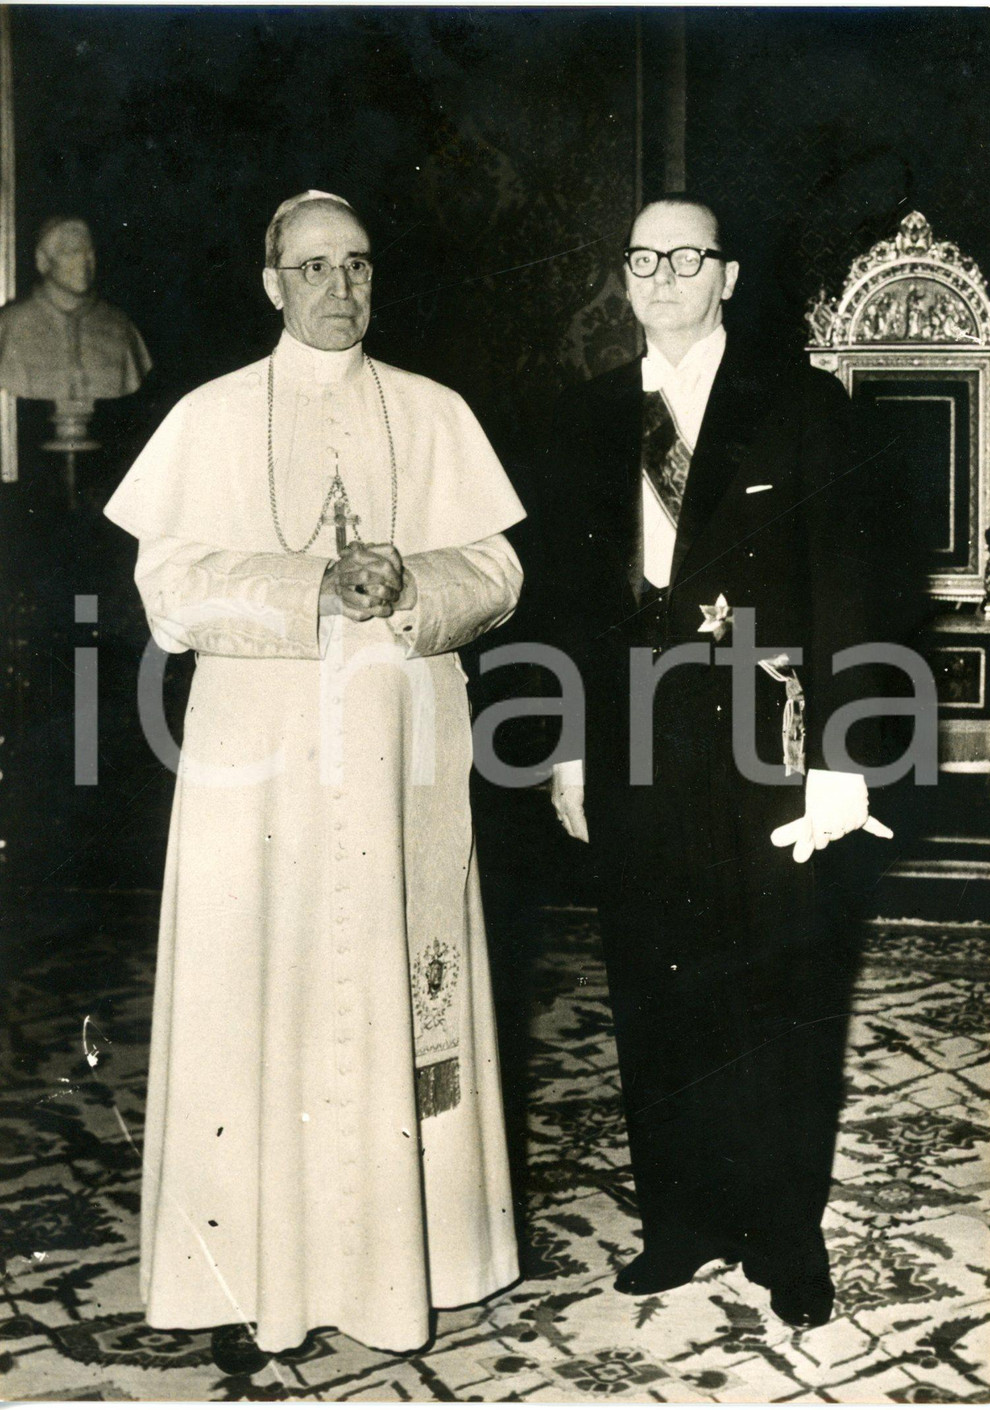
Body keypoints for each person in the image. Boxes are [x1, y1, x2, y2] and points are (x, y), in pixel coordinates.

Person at [104, 191, 522, 1371]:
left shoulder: (433, 411)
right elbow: (171, 589)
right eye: (316, 267)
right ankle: (253, 1267)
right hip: (259, 759)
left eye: (359, 266)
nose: (342, 288)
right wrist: (312, 592)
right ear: (271, 282)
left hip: (404, 753)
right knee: (263, 987)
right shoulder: (210, 415)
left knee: (405, 978)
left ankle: (420, 1263)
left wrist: (412, 583)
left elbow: (498, 569)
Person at [540, 196, 894, 1329]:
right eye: (641, 256)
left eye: (684, 256)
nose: (660, 275)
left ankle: (783, 1235)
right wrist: (567, 750)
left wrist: (843, 758)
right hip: (634, 739)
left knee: (781, 990)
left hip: (768, 739)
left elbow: (850, 586)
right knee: (655, 988)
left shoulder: (799, 408)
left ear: (727, 274)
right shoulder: (593, 416)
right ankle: (680, 1222)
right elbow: (570, 605)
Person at [0, 216, 151, 401]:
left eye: (89, 252)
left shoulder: (120, 327)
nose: (84, 261)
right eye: (71, 252)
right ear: (43, 260)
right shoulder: (9, 325)